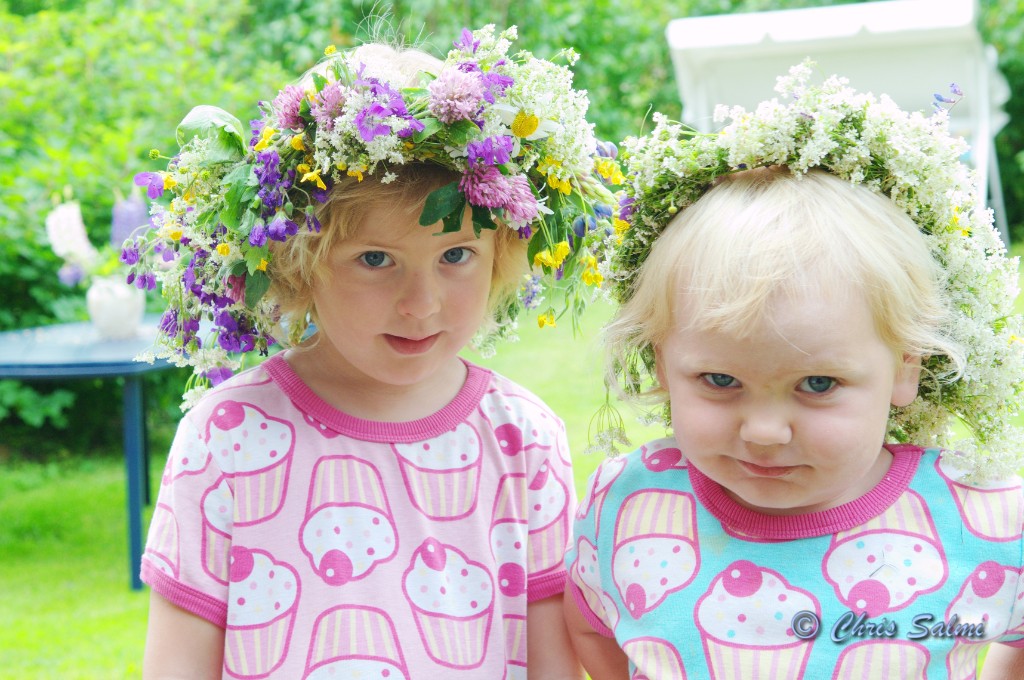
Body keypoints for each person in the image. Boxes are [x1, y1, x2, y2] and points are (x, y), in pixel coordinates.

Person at [130, 24, 621, 679]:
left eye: (455, 256)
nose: (420, 303)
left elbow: (548, 664)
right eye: (375, 259)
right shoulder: (227, 436)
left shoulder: (523, 439)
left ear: (501, 254)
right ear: (298, 264)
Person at [563, 63, 1024, 679]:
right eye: (720, 381)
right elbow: (587, 619)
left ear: (905, 367)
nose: (764, 431)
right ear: (662, 361)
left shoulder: (985, 518)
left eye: (818, 384)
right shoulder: (632, 501)